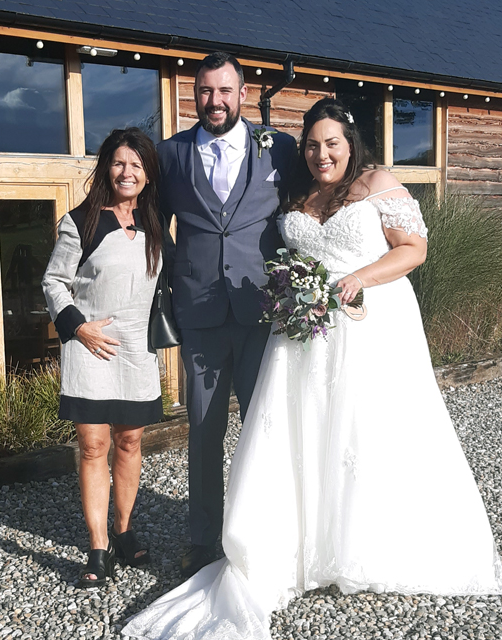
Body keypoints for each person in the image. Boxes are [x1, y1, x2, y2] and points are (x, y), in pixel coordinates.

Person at [122, 97, 502, 639]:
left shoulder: (378, 183)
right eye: (311, 144)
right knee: (306, 430)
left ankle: (368, 544)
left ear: (350, 143)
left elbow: (414, 249)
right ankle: (304, 542)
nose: (321, 153)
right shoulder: (300, 192)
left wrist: (359, 278)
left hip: (369, 322)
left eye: (331, 143)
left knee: (367, 430)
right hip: (304, 331)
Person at [156, 51, 297, 578]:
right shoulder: (170, 155)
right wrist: (178, 275)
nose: (214, 101)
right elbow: (153, 226)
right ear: (194, 95)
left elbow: (307, 208)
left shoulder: (278, 147)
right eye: (204, 92)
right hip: (200, 316)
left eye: (224, 91)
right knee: (203, 431)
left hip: (264, 313)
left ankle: (266, 532)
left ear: (242, 92)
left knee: (266, 427)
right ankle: (202, 539)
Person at [42, 127, 164, 587]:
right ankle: (97, 548)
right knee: (94, 445)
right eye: (118, 162)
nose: (126, 171)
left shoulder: (155, 226)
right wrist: (78, 325)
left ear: (148, 174)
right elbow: (54, 281)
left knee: (130, 442)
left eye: (136, 164)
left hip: (136, 350)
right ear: (105, 168)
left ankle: (124, 530)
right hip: (89, 345)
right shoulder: (82, 222)